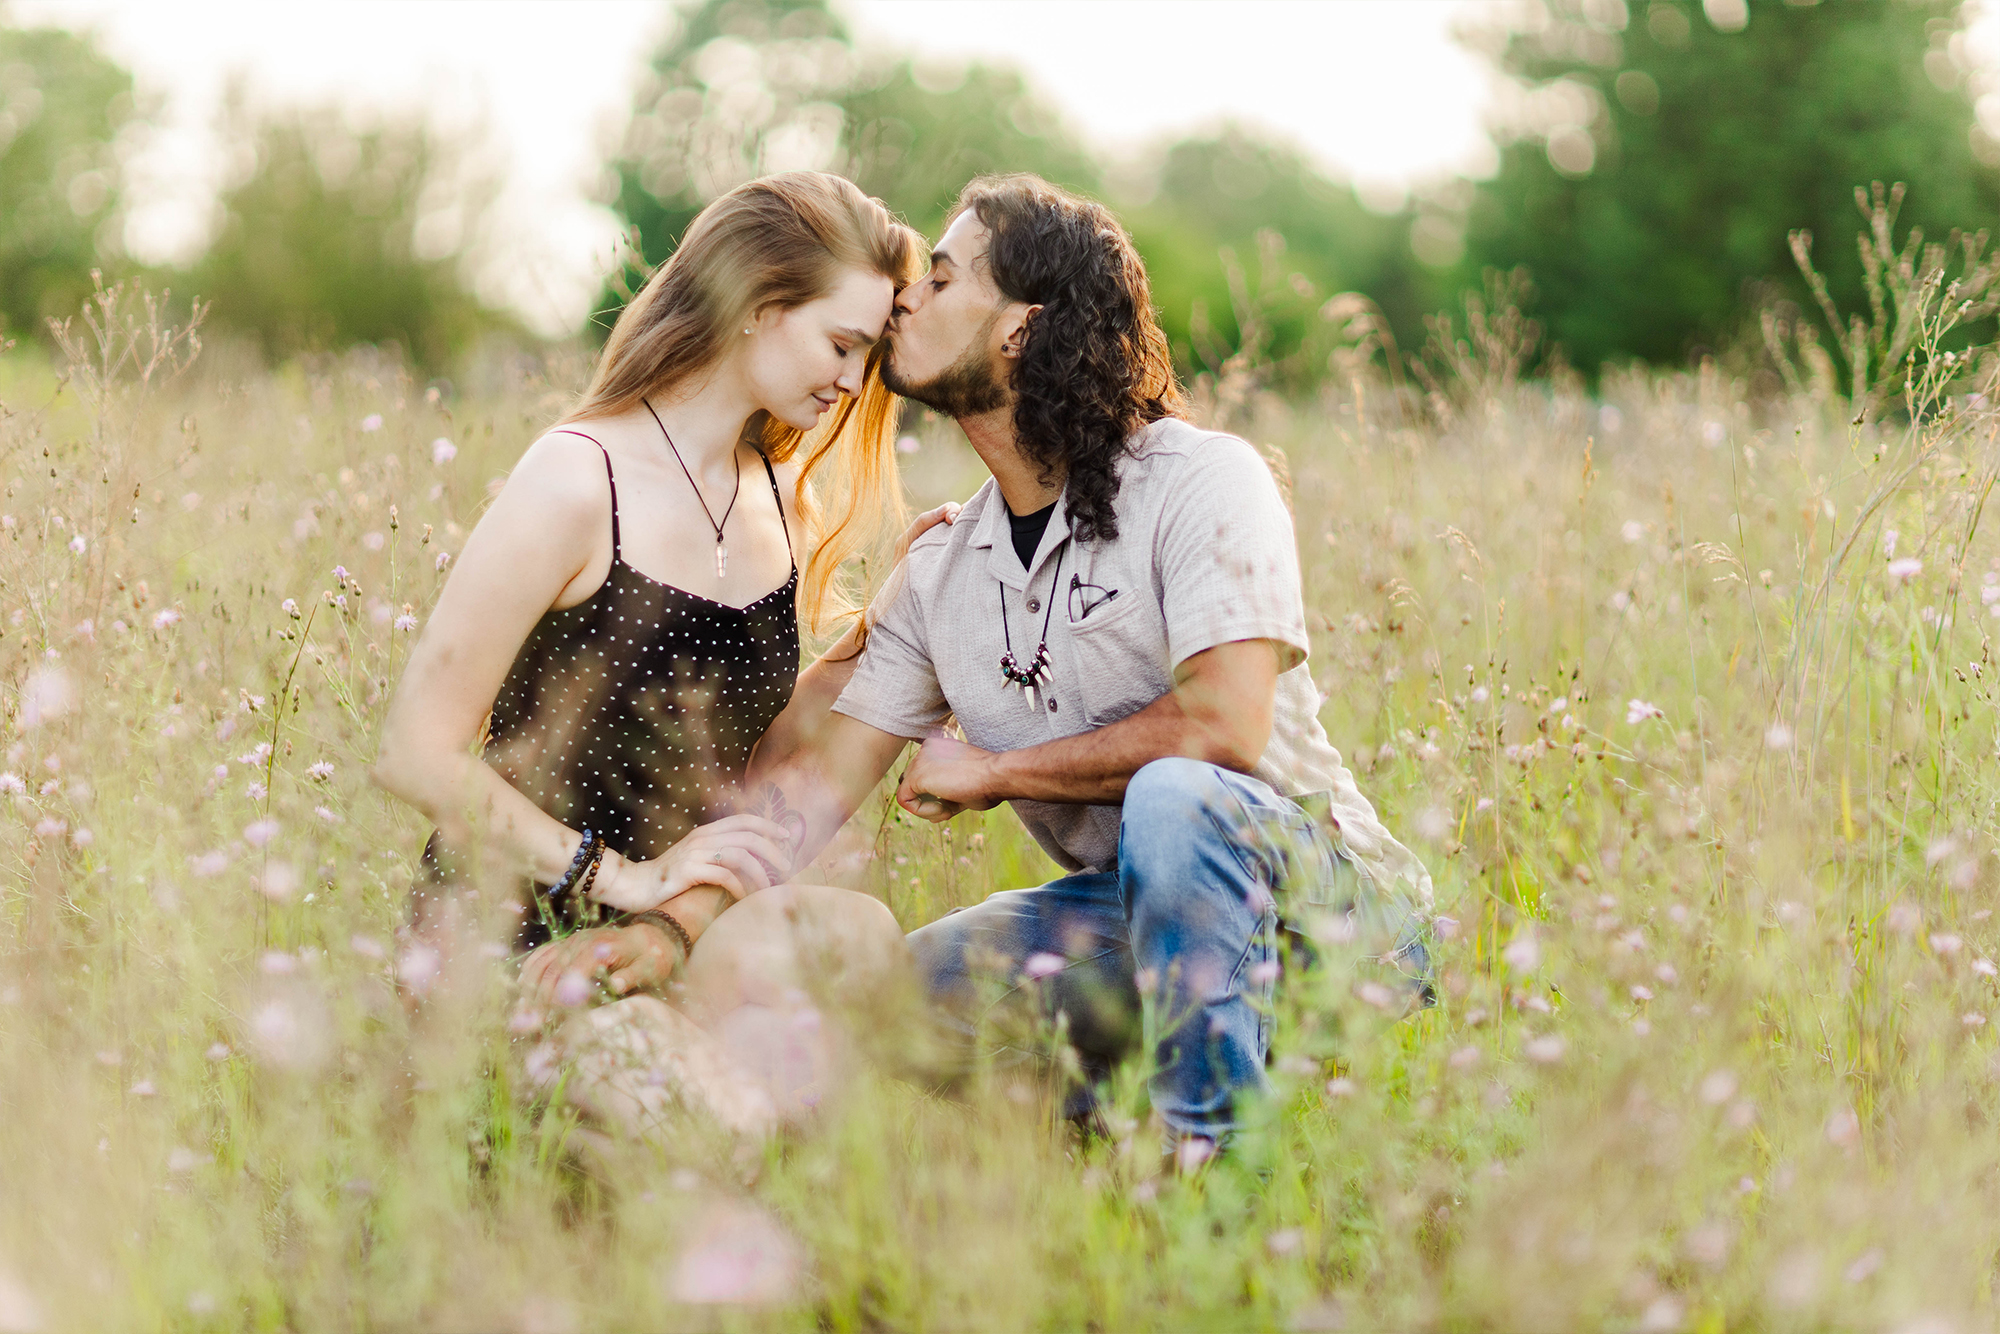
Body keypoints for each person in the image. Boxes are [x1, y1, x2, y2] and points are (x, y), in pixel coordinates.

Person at [748, 174, 1433, 1158]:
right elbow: (793, 803)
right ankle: (1089, 1138)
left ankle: (1208, 1184)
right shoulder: (945, 566)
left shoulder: (1201, 479)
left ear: (1019, 328)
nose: (905, 298)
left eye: (939, 280)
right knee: (902, 998)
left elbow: (1219, 730)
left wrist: (994, 770)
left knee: (1174, 798)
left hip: (1329, 914)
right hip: (1126, 923)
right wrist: (635, 899)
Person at [372, 171, 949, 1133]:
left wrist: (883, 629)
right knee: (719, 1130)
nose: (853, 381)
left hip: (674, 938)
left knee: (858, 935)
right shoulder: (577, 474)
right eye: (841, 343)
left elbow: (746, 749)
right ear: (759, 309)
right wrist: (619, 879)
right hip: (517, 936)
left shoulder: (775, 497)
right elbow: (411, 752)